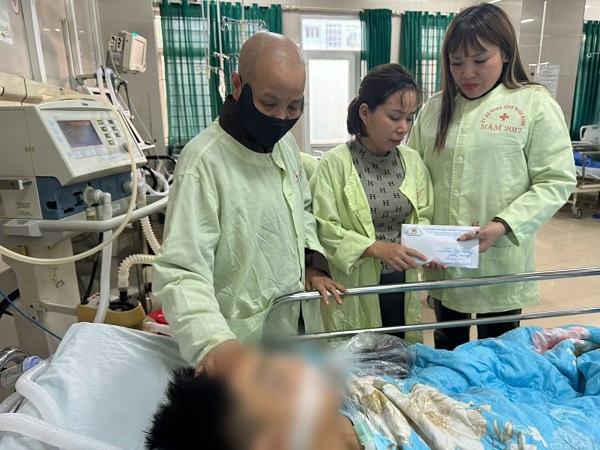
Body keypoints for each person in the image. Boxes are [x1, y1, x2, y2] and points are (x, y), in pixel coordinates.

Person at [153, 32, 347, 376]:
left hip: (296, 324)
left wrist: (312, 264)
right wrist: (211, 340)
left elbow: (301, 210)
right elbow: (182, 271)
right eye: (269, 104)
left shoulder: (284, 146)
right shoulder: (203, 163)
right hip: (239, 342)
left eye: (294, 107)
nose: (282, 118)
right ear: (237, 86)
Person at [407, 3, 577, 349]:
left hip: (499, 260)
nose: (467, 73)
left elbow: (556, 179)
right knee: (448, 347)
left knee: (499, 351)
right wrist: (422, 237)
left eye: (480, 60)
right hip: (445, 257)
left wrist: (503, 224)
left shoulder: (532, 103)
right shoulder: (435, 109)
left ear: (506, 52)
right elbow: (415, 177)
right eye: (456, 62)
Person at [311, 64, 443, 342]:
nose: (403, 128)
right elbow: (323, 228)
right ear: (365, 113)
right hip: (355, 282)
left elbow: (424, 215)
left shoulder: (412, 162)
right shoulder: (335, 165)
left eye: (409, 118)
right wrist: (373, 248)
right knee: (360, 356)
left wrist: (431, 249)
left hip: (401, 281)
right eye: (394, 117)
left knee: (400, 348)